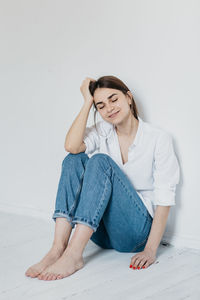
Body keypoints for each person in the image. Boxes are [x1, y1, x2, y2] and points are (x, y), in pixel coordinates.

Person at [25, 75, 180, 281]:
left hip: (135, 233)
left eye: (113, 99)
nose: (109, 108)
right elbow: (71, 146)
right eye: (101, 105)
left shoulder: (158, 138)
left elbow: (165, 198)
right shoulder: (103, 131)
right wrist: (87, 102)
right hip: (102, 233)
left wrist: (150, 250)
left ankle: (74, 254)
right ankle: (57, 249)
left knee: (99, 161)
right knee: (74, 159)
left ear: (129, 98)